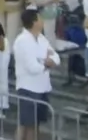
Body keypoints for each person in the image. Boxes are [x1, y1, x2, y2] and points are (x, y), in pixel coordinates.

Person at [13, 9, 58, 140]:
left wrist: (46, 61)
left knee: (36, 124)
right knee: (26, 124)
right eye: (40, 18)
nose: (42, 21)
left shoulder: (42, 38)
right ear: (34, 22)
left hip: (42, 86)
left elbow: (56, 57)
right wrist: (47, 63)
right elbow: (32, 67)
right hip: (28, 88)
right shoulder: (22, 41)